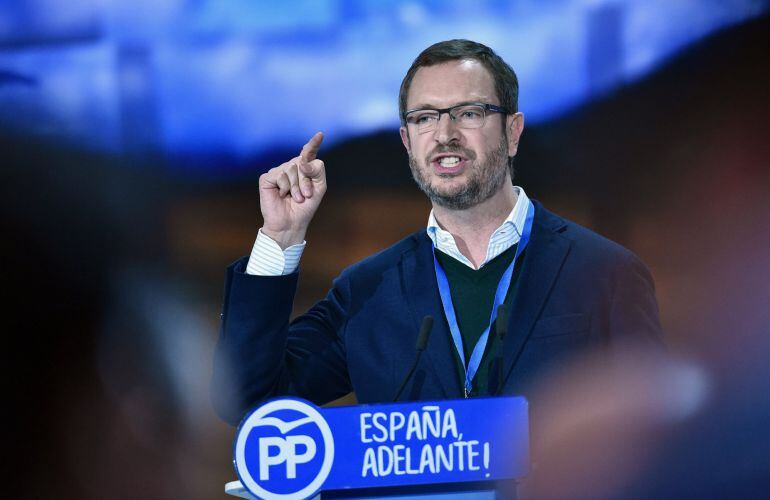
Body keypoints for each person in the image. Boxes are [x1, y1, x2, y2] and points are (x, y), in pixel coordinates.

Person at [211, 39, 662, 426]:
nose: (445, 134)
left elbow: (656, 440)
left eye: (468, 112)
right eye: (425, 118)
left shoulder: (607, 274)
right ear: (407, 142)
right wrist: (281, 237)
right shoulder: (366, 292)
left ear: (512, 131)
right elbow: (250, 400)